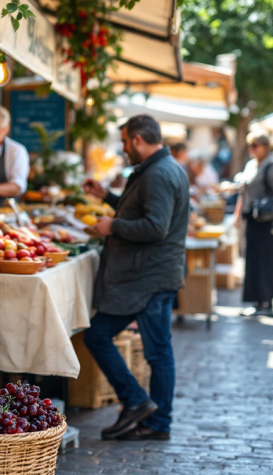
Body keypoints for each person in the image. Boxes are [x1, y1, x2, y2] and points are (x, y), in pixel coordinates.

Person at [81, 115, 189, 441]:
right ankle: (142, 407)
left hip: (148, 280)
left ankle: (152, 417)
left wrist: (112, 225)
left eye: (126, 141)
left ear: (139, 139)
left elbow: (156, 226)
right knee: (101, 336)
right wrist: (108, 198)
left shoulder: (159, 173)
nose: (124, 148)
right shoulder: (159, 169)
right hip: (145, 278)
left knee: (155, 353)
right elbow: (143, 211)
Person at [238, 131, 273, 316]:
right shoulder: (251, 165)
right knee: (253, 260)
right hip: (253, 220)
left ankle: (266, 302)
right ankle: (257, 300)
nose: (252, 149)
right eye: (250, 146)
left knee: (266, 260)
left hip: (267, 221)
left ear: (264, 147)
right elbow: (244, 192)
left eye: (255, 145)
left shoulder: (271, 167)